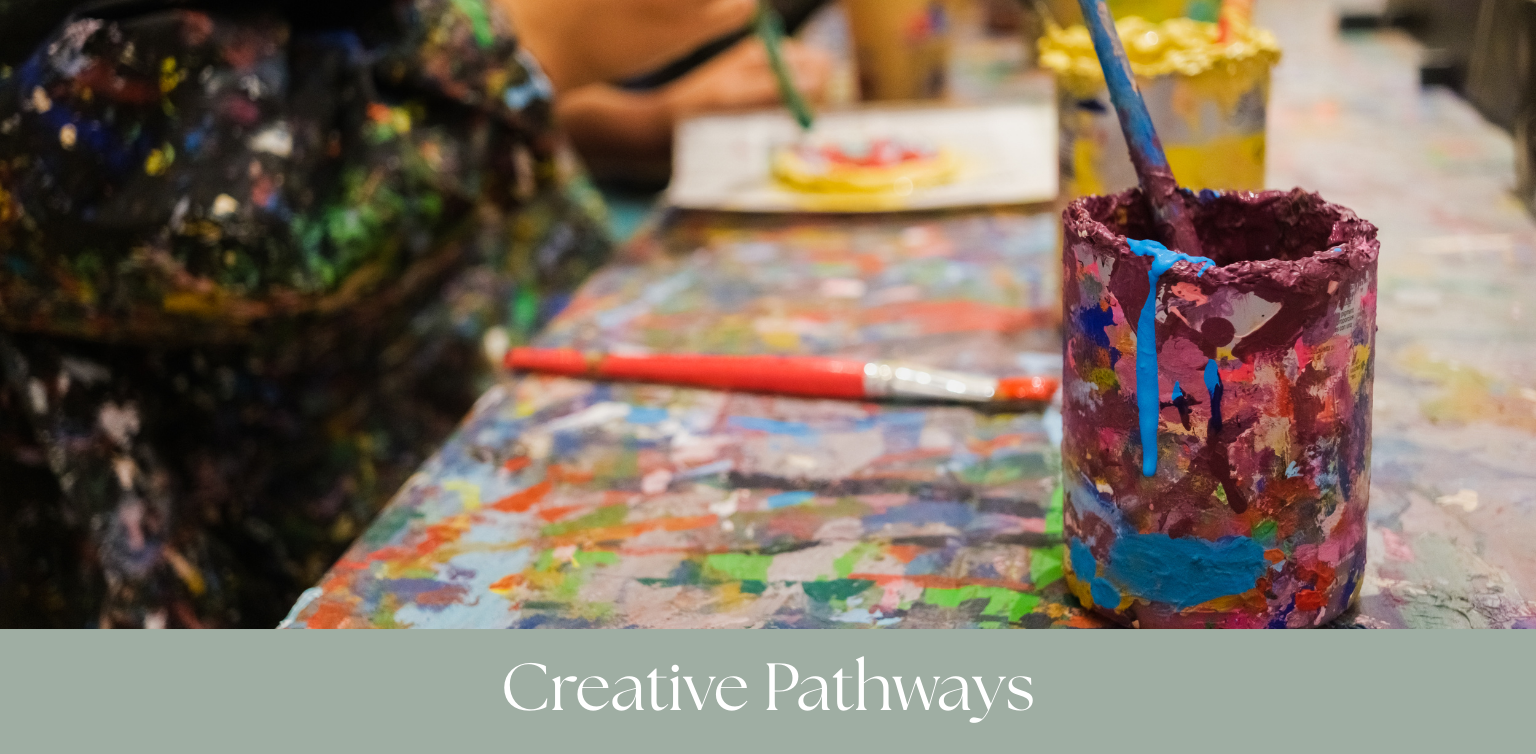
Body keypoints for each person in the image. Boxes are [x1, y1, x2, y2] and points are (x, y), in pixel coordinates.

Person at [0, 0, 761, 627]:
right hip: (291, 558)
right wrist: (539, 42)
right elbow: (194, 223)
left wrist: (598, 110)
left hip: (542, 435)